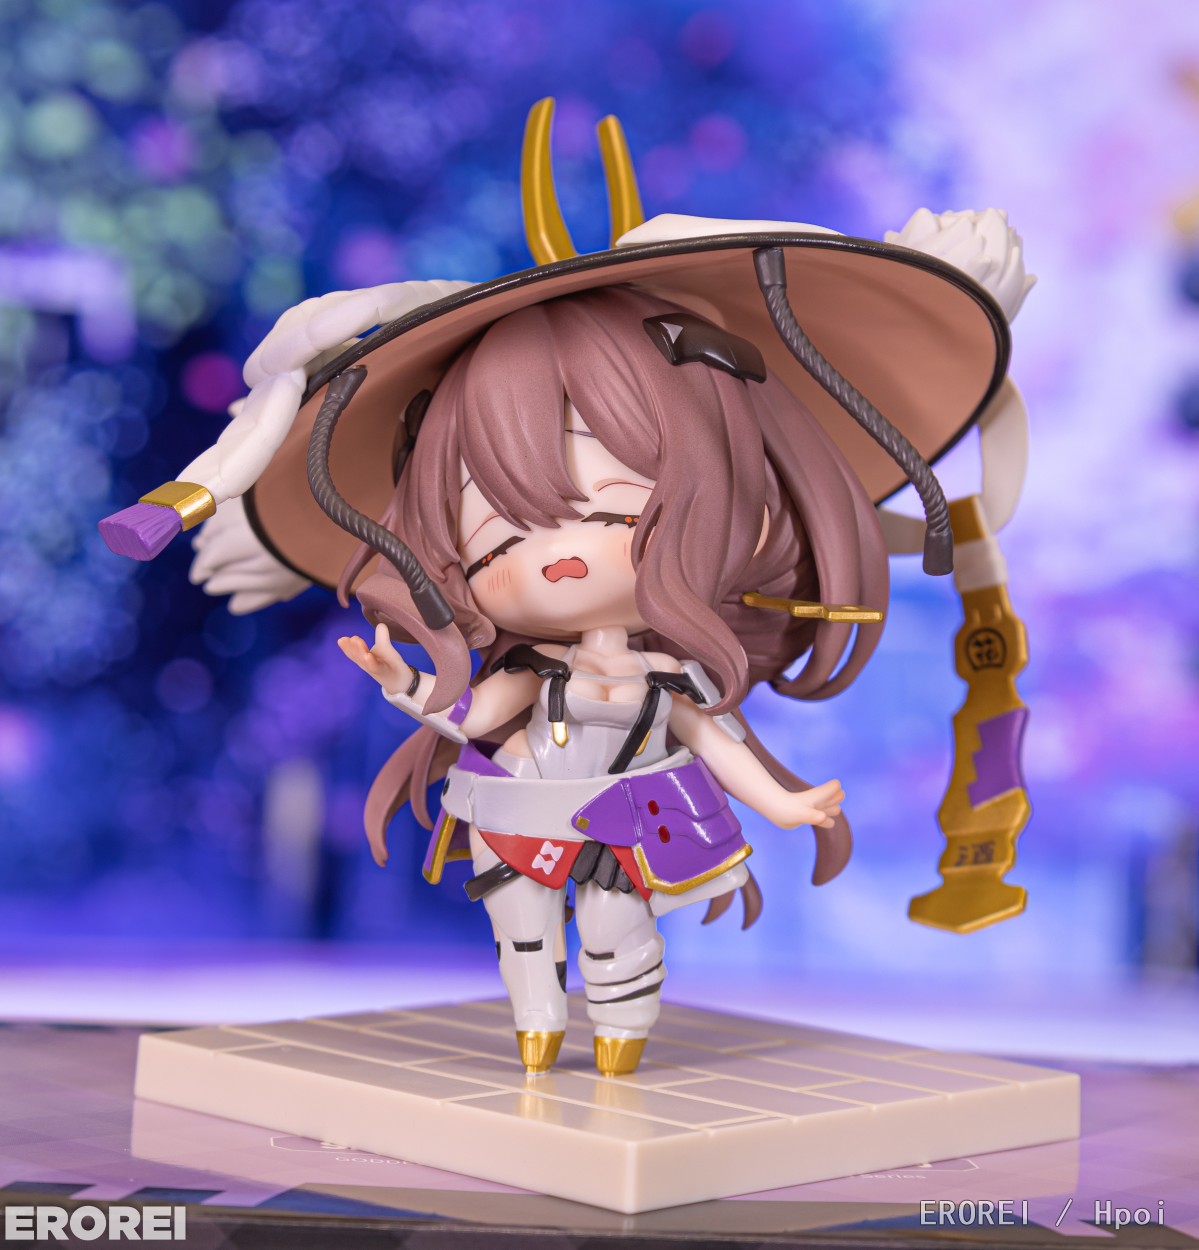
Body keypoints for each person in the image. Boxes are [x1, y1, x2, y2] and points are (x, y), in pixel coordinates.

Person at [99, 99, 1032, 1075]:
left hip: (629, 817)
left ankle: (619, 1026)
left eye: (614, 515)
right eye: (501, 534)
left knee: (620, 932)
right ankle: (538, 1016)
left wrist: (785, 803)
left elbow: (716, 740)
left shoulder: (667, 680)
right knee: (521, 931)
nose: (560, 557)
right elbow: (472, 713)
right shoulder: (534, 673)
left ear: (736, 505)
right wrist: (409, 687)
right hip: (513, 812)